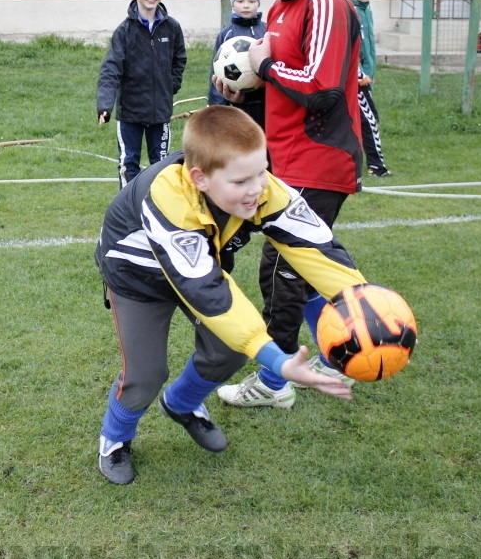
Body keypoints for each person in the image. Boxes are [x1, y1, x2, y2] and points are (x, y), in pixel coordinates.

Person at [95, 105, 365, 484]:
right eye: (241, 181)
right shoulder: (168, 197)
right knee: (146, 374)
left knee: (230, 349)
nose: (257, 188)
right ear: (199, 178)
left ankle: (182, 405)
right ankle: (115, 439)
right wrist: (278, 361)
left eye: (261, 171)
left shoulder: (258, 187)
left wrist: (360, 300)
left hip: (200, 266)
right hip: (140, 281)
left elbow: (314, 244)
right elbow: (206, 290)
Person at [213, 0, 364, 411]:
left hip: (319, 159)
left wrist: (265, 66)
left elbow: (320, 90)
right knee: (303, 269)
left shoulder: (325, 2)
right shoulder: (281, 9)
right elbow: (283, 84)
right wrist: (242, 88)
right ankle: (330, 352)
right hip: (288, 161)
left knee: (283, 271)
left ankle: (274, 383)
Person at [97, 0, 187, 187]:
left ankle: (161, 209)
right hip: (131, 114)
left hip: (160, 113)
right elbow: (111, 69)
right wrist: (105, 105)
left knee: (162, 165)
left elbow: (179, 60)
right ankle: (128, 212)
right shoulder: (124, 31)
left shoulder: (172, 28)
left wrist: (170, 86)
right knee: (129, 164)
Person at [348, 0, 392, 178]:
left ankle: (355, 163)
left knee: (363, 119)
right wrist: (358, 74)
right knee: (370, 119)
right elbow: (350, 47)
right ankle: (377, 167)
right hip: (357, 79)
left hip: (366, 76)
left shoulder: (367, 11)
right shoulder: (351, 11)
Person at [207, 0, 267, 130]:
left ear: (258, 3)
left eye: (252, 1)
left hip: (264, 102)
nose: (246, 5)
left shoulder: (267, 31)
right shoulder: (226, 34)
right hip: (235, 103)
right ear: (232, 3)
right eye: (240, 1)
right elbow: (216, 72)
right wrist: (215, 105)